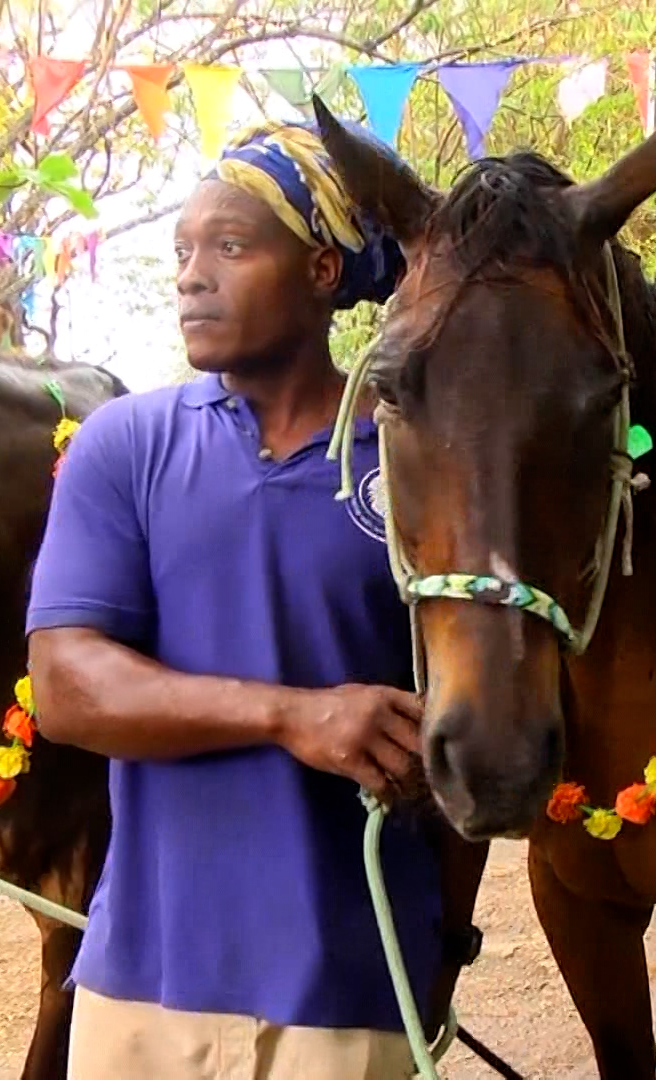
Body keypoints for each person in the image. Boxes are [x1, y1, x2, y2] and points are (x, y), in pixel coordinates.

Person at [27, 121, 438, 1080]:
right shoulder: (124, 447)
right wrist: (291, 715)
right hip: (139, 989)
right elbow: (64, 687)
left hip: (352, 993)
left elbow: (472, 705)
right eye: (182, 251)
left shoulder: (418, 459)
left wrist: (443, 944)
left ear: (323, 271)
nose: (190, 277)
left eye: (229, 246)